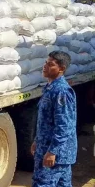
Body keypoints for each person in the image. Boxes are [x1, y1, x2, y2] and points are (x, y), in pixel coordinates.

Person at [31, 51, 77, 187]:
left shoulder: (61, 91)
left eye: (50, 64)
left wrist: (52, 152)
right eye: (45, 63)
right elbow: (46, 121)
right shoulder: (50, 88)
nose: (45, 66)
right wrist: (36, 140)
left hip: (56, 155)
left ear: (61, 69)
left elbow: (64, 125)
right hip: (49, 149)